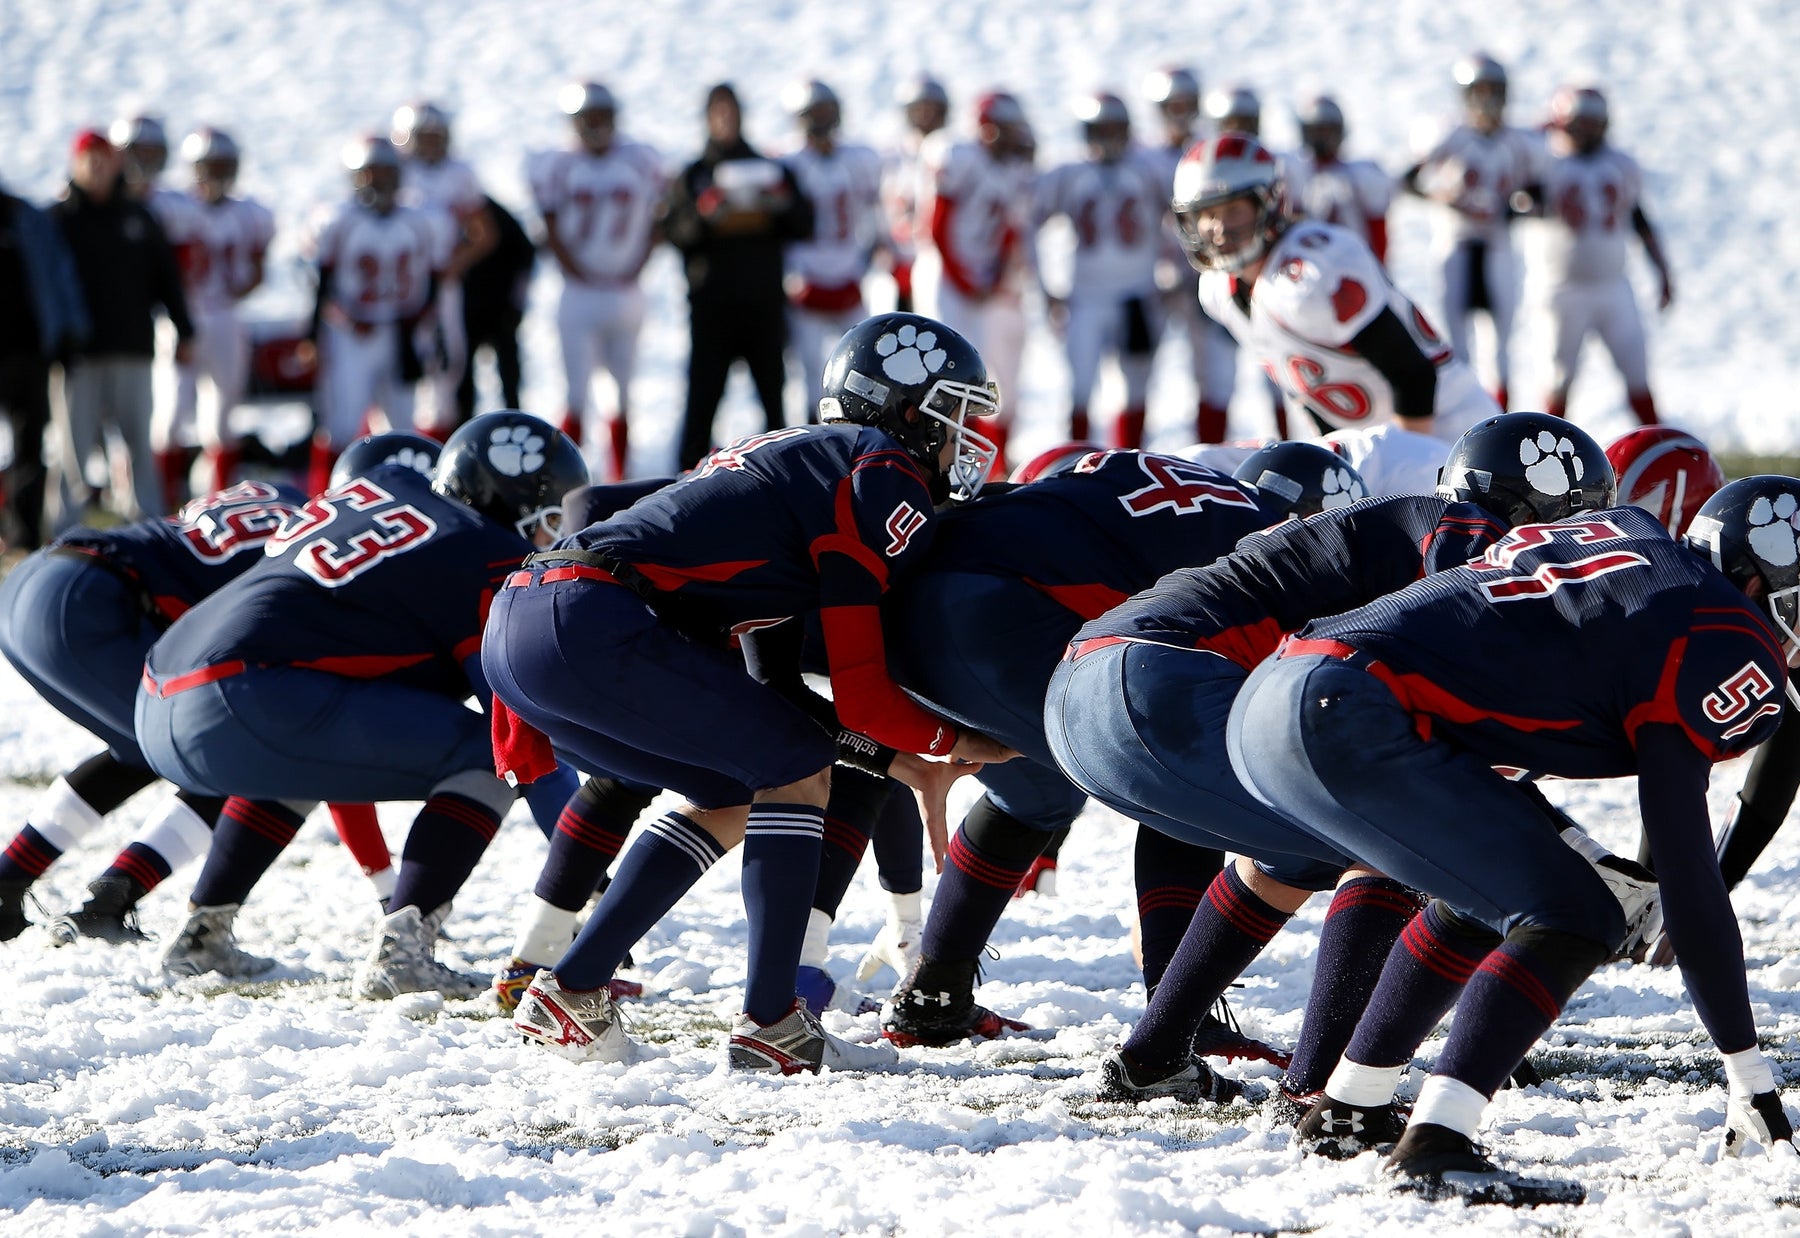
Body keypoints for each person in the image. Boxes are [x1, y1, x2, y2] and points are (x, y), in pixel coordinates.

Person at [1227, 475, 1800, 1202]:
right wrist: (1748, 1067)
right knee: (1579, 912)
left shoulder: (1636, 544)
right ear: (1757, 578)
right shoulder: (1726, 632)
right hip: (1351, 711)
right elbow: (1687, 865)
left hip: (1280, 693)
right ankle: (1437, 1143)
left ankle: (1353, 1109)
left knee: (1489, 895)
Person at [492, 313, 1009, 1074]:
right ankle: (771, 1022)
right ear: (911, 411)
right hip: (590, 617)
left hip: (532, 621)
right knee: (795, 764)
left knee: (741, 789)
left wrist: (895, 754)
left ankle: (570, 986)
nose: (967, 436)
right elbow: (860, 696)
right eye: (957, 412)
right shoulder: (878, 466)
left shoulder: (794, 461)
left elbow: (776, 689)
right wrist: (952, 745)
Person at [1049, 415, 1610, 1113]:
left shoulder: (1405, 520)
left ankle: (1153, 1058)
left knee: (1305, 853)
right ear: (1540, 508)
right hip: (1160, 676)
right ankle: (1316, 1085)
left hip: (1086, 688)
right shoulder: (1463, 530)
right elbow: (1464, 670)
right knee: (1396, 830)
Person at [881, 445, 1346, 1054]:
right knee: (1185, 781)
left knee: (1037, 790)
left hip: (912, 603)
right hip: (997, 611)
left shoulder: (1188, 488)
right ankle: (1180, 1023)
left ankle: (933, 993)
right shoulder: (1272, 545)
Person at [134, 411, 587, 995]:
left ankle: (203, 931)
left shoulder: (381, 496)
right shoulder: (481, 547)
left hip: (159, 694)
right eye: (550, 517)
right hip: (245, 694)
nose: (552, 536)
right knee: (487, 755)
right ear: (511, 496)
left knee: (300, 753)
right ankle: (405, 951)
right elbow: (519, 732)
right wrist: (586, 873)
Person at [0, 479, 305, 941]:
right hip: (89, 598)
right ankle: (108, 901)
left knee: (142, 747)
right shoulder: (318, 544)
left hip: (34, 579)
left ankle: (10, 881)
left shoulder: (284, 494)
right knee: (227, 754)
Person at [1175, 133, 1497, 443]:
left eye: (1233, 210)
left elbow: (1414, 377)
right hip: (1375, 438)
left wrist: (1407, 465)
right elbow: (1310, 393)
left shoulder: (1313, 274)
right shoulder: (1217, 292)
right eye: (1207, 214)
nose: (1218, 229)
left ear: (1269, 203)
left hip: (1451, 427)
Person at [48, 129, 195, 528]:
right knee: (72, 450)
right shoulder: (60, 219)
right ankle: (65, 528)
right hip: (78, 353)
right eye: (88, 159)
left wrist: (184, 328)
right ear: (75, 163)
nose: (96, 167)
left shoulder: (137, 216)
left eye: (103, 158)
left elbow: (166, 277)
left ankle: (145, 525)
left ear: (116, 162)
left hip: (132, 345)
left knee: (137, 445)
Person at [662, 83, 813, 469]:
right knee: (702, 405)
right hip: (713, 308)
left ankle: (783, 484)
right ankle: (685, 488)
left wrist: (779, 201)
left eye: (732, 111)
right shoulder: (695, 173)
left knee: (774, 407)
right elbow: (674, 233)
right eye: (719, 112)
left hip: (762, 304)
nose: (726, 120)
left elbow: (804, 223)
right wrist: (705, 213)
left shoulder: (770, 167)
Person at [528, 83, 664, 480]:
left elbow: (659, 218)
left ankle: (620, 478)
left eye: (602, 117)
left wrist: (637, 265)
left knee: (621, 395)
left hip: (624, 290)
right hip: (580, 293)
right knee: (575, 395)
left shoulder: (640, 159)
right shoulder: (558, 163)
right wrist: (578, 271)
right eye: (588, 118)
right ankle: (567, 483)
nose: (596, 126)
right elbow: (549, 224)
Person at [304, 136, 449, 495]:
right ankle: (322, 500)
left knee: (402, 426)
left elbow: (432, 283)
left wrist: (424, 329)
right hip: (353, 335)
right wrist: (346, 323)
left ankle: (408, 500)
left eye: (386, 172)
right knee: (341, 423)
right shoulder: (339, 220)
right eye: (371, 173)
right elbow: (320, 286)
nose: (379, 181)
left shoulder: (418, 219)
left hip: (400, 331)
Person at [1401, 53, 1543, 409]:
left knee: (1501, 346)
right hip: (1457, 240)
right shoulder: (1452, 134)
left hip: (1497, 242)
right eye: (1480, 90)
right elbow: (1408, 180)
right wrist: (1442, 196)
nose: (1488, 98)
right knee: (1456, 345)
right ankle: (1463, 419)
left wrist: (1515, 208)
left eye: (1494, 90)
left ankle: (1501, 419)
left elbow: (1539, 192)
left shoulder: (1518, 142)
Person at [1526, 87, 1672, 426]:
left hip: (1612, 286)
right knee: (1557, 381)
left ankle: (1659, 455)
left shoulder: (1620, 165)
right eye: (1582, 123)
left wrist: (1663, 272)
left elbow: (1638, 218)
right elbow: (1515, 200)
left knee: (1638, 374)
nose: (1589, 131)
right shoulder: (1545, 163)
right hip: (1561, 289)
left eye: (1595, 123)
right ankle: (1541, 457)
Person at [1032, 93, 1169, 449]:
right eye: (1101, 128)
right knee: (1079, 388)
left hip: (1136, 294)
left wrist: (1174, 274)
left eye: (1115, 128)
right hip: (1087, 297)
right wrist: (1045, 286)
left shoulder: (1147, 169)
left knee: (1134, 389)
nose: (1108, 137)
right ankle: (1077, 467)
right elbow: (1029, 225)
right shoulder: (1068, 174)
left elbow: (1178, 223)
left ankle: (1129, 463)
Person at [912, 91, 1036, 466]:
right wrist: (966, 282)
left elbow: (1010, 232)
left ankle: (993, 462)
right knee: (946, 373)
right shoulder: (958, 155)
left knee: (994, 376)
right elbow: (934, 227)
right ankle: (945, 458)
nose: (1014, 136)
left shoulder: (1014, 167)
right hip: (947, 278)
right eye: (1006, 128)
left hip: (983, 280)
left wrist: (994, 279)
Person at [150, 128, 275, 501]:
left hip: (224, 315)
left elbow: (256, 271)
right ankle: (160, 503)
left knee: (221, 417)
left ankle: (215, 500)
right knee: (170, 415)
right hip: (179, 317)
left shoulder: (249, 213)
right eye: (210, 165)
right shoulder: (172, 207)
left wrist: (233, 291)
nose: (217, 173)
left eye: (224, 165)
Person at [1142, 66, 1239, 445]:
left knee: (1216, 376)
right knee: (1135, 377)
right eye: (1173, 104)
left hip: (1206, 276)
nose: (1180, 111)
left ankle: (1210, 462)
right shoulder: (1141, 156)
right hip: (1152, 279)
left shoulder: (1210, 153)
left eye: (1187, 103)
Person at [780, 80, 888, 416]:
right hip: (805, 280)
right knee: (812, 375)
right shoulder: (787, 162)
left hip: (848, 274)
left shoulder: (859, 158)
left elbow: (875, 218)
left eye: (826, 112)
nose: (822, 121)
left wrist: (864, 262)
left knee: (864, 370)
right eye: (814, 114)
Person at [394, 102, 497, 436]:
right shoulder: (396, 173)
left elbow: (484, 232)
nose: (432, 143)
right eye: (424, 136)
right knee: (395, 373)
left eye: (437, 135)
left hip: (441, 287)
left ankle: (434, 454)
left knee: (446, 367)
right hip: (398, 290)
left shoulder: (459, 174)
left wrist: (455, 264)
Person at [0, 178, 87, 550]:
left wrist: (68, 333)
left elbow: (59, 274)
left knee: (30, 447)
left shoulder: (26, 216)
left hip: (29, 351)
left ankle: (23, 535)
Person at [1288, 96, 1389, 262]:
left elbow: (1378, 229)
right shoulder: (1293, 173)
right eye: (1317, 131)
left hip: (1354, 265)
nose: (1322, 138)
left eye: (1328, 131)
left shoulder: (1361, 174)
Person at [882, 73, 949, 313]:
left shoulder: (953, 155)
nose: (927, 116)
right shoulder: (893, 157)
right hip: (897, 259)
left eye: (933, 109)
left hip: (938, 261)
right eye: (920, 109)